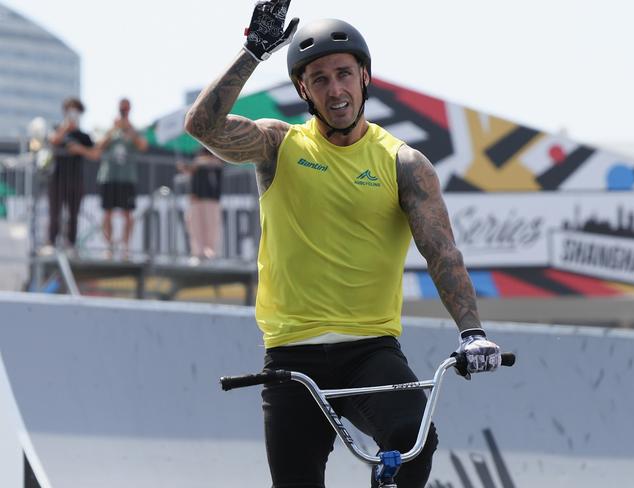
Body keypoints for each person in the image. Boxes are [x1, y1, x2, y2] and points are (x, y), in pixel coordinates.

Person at [185, 2, 502, 487]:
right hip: (291, 356)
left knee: (413, 439)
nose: (335, 90)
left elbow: (442, 253)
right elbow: (202, 128)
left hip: (369, 352)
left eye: (344, 74)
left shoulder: (404, 164)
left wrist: (471, 332)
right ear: (302, 89)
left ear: (365, 79)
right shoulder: (278, 144)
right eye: (319, 79)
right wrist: (252, 51)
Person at [42, 97, 96, 255]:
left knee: (74, 214)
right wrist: (65, 128)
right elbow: (53, 141)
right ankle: (51, 242)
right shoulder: (57, 128)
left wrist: (80, 150)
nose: (73, 113)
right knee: (54, 213)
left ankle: (71, 244)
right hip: (57, 178)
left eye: (76, 111)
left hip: (75, 179)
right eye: (70, 110)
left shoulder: (84, 136)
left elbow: (95, 154)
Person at [96, 98, 148, 257]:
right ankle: (109, 247)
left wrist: (129, 130)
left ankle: (126, 248)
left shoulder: (134, 130)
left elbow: (143, 146)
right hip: (109, 176)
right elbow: (99, 146)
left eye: (126, 109)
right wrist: (114, 129)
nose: (123, 112)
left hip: (127, 178)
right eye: (121, 109)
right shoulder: (111, 129)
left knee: (128, 214)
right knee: (107, 213)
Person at [177, 147, 224, 260]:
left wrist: (196, 164)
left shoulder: (215, 148)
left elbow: (217, 162)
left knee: (211, 227)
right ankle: (197, 253)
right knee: (194, 226)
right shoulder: (194, 153)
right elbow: (190, 170)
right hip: (195, 197)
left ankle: (210, 253)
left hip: (211, 198)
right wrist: (185, 167)